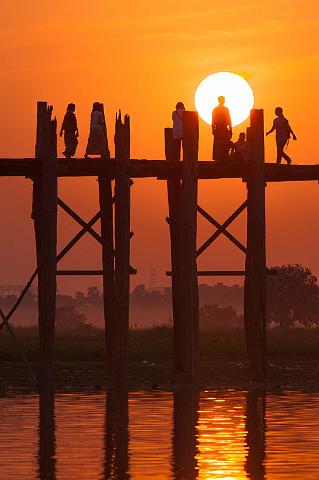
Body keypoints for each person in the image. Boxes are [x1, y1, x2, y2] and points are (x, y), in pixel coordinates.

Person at [212, 96, 232, 162]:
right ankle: (221, 157)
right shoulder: (225, 109)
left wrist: (213, 129)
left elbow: (213, 120)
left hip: (220, 128)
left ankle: (220, 157)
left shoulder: (215, 109)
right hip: (221, 127)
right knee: (222, 143)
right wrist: (230, 129)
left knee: (220, 143)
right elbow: (228, 119)